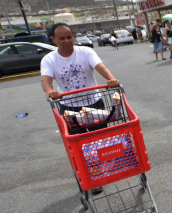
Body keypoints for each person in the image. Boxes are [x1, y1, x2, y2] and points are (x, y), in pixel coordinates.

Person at [41, 23, 120, 194]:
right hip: (69, 108)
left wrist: (111, 79)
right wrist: (49, 91)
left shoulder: (85, 52)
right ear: (53, 40)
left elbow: (100, 67)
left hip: (94, 103)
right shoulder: (49, 59)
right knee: (81, 146)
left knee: (99, 141)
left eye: (69, 37)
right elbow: (46, 79)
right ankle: (92, 176)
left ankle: (103, 170)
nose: (67, 41)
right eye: (62, 38)